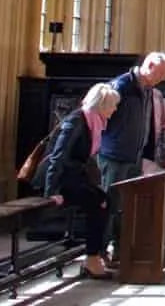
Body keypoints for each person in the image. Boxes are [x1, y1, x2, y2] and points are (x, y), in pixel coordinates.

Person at [38, 82, 120, 279]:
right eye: (112, 105)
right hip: (60, 180)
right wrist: (51, 193)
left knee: (104, 200)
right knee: (99, 202)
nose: (115, 109)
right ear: (102, 105)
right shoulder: (76, 122)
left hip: (73, 177)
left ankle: (93, 255)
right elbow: (58, 157)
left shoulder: (93, 122)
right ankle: (92, 258)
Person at [98, 51, 165, 252]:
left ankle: (122, 249)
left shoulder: (147, 89)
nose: (161, 80)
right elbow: (102, 116)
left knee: (127, 205)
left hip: (134, 156)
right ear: (149, 67)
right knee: (109, 203)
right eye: (160, 75)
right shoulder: (122, 85)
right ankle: (99, 251)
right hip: (114, 155)